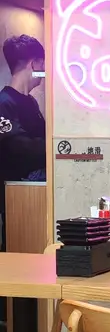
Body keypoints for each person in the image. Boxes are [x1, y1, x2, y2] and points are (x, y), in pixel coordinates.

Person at [0, 34, 46, 249]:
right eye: (42, 65)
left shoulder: (31, 102)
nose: (44, 72)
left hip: (37, 196)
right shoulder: (4, 103)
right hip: (16, 199)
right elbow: (19, 147)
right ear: (34, 64)